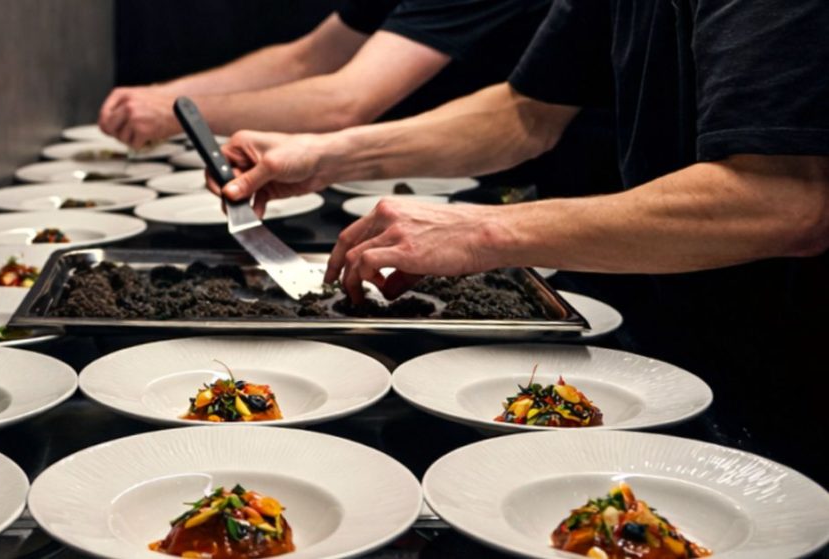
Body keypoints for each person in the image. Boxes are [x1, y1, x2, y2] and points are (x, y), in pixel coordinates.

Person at [208, 1, 829, 481]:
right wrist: (327, 155)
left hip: (791, 383)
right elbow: (524, 113)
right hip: (679, 336)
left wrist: (483, 231)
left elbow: (782, 201)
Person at [98, 0, 551, 149]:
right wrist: (158, 97)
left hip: (520, 191)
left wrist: (178, 113)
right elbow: (309, 58)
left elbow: (346, 102)